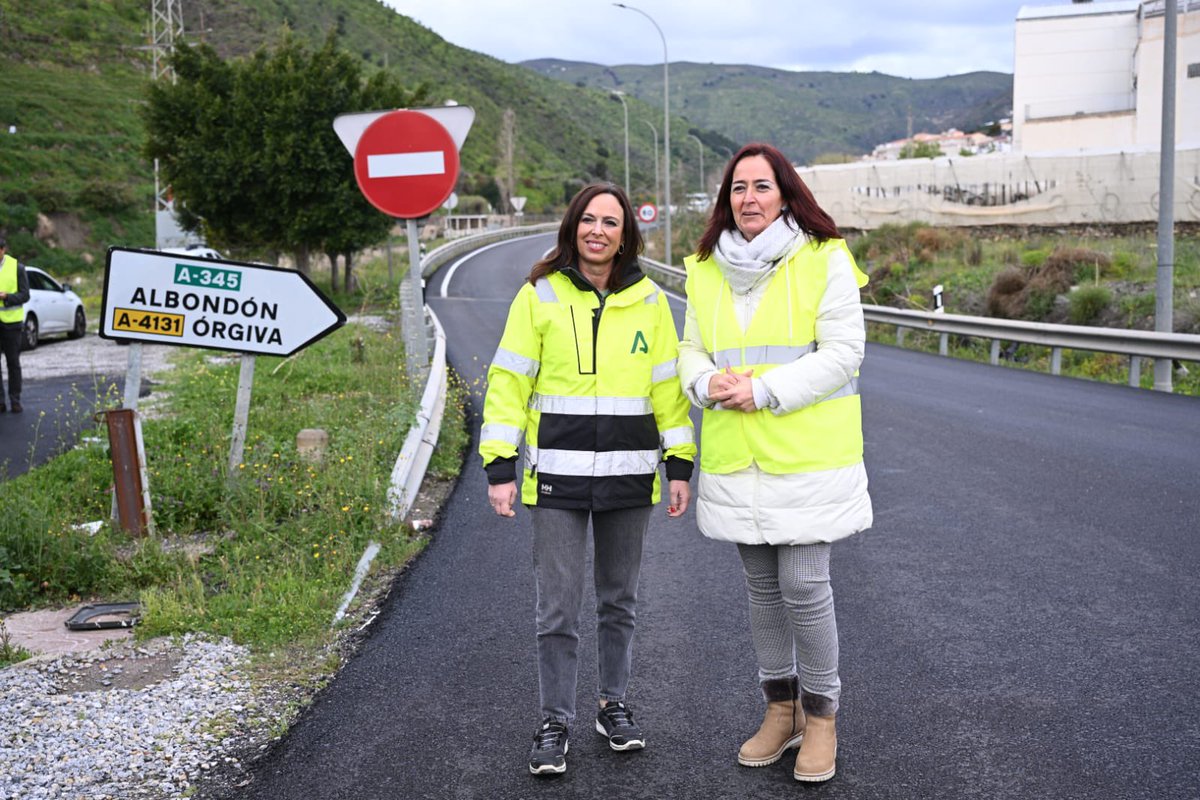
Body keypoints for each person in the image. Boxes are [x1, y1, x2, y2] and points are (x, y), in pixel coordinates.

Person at [479, 183, 696, 776]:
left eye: (611, 222)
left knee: (619, 601)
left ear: (626, 235)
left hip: (630, 479)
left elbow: (667, 393)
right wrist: (499, 466)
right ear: (574, 226)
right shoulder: (539, 296)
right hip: (558, 482)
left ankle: (614, 705)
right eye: (589, 220)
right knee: (558, 608)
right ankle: (555, 720)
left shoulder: (651, 301)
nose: (598, 230)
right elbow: (509, 383)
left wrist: (679, 466)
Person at [677, 143, 872, 783]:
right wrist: (704, 384)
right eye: (738, 188)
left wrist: (763, 389)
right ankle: (779, 711)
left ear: (785, 194)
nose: (749, 198)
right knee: (762, 589)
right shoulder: (705, 268)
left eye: (762, 186)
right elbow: (692, 350)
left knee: (805, 584)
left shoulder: (825, 258)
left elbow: (844, 352)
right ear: (725, 199)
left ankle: (822, 719)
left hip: (808, 452)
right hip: (738, 454)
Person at [0, 235, 31, 414]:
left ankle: (15, 400)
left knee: (13, 363)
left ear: (3, 250)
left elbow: (25, 295)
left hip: (12, 323)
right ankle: (0, 402)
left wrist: (7, 297)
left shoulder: (17, 268)